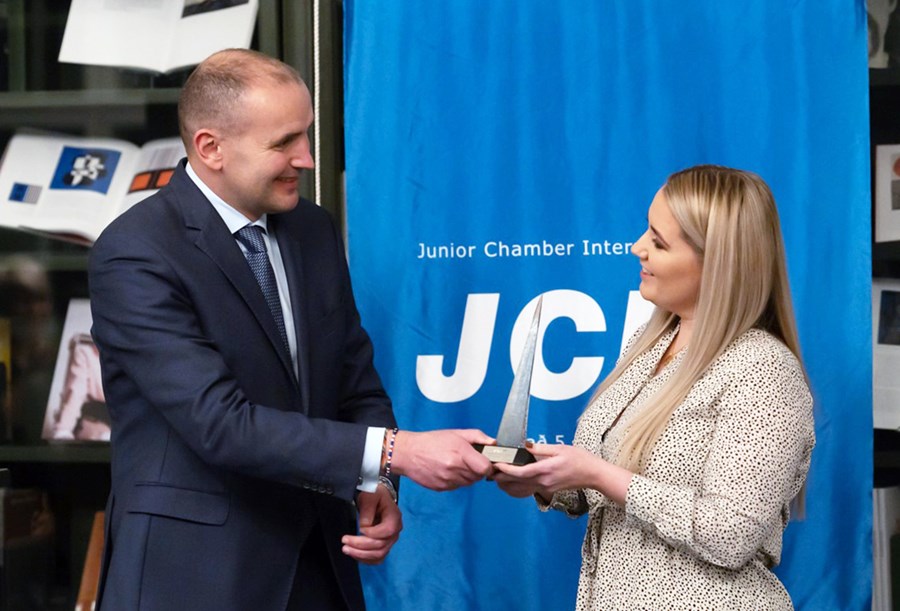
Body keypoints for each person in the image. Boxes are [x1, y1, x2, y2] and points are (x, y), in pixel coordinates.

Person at [88, 48, 493, 611]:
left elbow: (354, 380)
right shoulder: (136, 253)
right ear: (210, 147)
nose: (306, 158)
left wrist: (377, 481)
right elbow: (220, 424)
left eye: (306, 134)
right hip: (196, 578)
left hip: (320, 565)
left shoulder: (312, 230)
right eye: (283, 143)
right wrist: (395, 451)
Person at [493, 165, 815, 609]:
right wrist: (543, 480)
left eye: (659, 242)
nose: (637, 247)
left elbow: (731, 534)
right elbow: (606, 486)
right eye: (647, 230)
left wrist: (597, 473)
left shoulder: (763, 370)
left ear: (718, 263)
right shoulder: (647, 346)